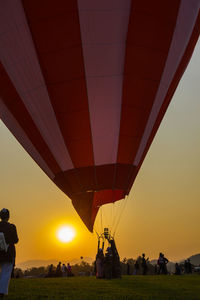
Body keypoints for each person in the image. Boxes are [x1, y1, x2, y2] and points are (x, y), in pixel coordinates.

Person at [0, 208, 19, 297]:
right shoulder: (12, 227)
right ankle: (2, 292)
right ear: (8, 217)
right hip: (8, 253)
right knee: (6, 273)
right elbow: (16, 240)